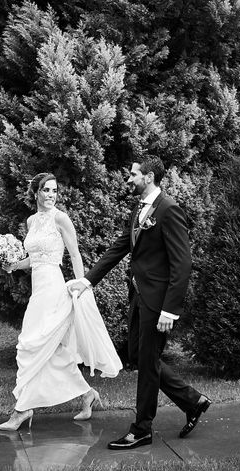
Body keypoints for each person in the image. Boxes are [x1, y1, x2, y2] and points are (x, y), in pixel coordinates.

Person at [67, 158, 211, 450]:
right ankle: (192, 400)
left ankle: (142, 428)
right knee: (137, 354)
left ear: (149, 176)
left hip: (158, 302)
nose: (129, 179)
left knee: (146, 363)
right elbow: (120, 246)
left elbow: (182, 265)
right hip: (139, 296)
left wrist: (170, 310)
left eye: (133, 174)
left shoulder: (169, 210)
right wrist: (88, 280)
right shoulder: (138, 209)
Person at [0, 172, 122, 431]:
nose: (51, 195)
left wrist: (82, 286)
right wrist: (13, 265)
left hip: (54, 289)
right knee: (51, 353)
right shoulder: (31, 221)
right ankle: (87, 395)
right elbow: (34, 259)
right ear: (36, 193)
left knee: (30, 345)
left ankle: (21, 411)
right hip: (38, 289)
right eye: (46, 190)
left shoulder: (61, 218)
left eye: (54, 191)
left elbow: (75, 254)